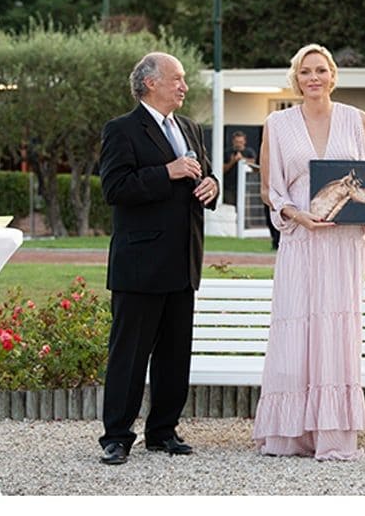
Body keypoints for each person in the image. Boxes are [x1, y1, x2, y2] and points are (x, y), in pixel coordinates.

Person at [252, 43, 365, 460]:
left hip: (342, 246)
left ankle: (333, 435)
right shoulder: (277, 124)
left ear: (333, 75)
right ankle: (288, 434)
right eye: (304, 72)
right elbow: (270, 188)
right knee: (296, 327)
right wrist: (297, 216)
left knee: (336, 331)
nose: (313, 78)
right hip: (300, 241)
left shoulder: (359, 121)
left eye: (320, 70)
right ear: (295, 78)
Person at [97, 52, 219, 465]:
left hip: (183, 262)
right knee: (129, 356)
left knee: (174, 355)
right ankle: (116, 436)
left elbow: (204, 174)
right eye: (177, 79)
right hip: (140, 265)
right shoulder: (122, 130)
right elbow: (114, 188)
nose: (184, 86)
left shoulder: (189, 128)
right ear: (150, 82)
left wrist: (212, 186)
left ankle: (163, 431)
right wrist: (166, 172)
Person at [222, 131, 257, 205]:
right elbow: (222, 169)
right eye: (237, 142)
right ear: (233, 142)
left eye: (240, 142)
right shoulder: (227, 152)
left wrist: (242, 159)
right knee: (230, 209)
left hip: (246, 187)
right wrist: (233, 161)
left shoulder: (249, 152)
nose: (238, 144)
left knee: (245, 209)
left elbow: (254, 165)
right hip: (229, 187)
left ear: (244, 141)